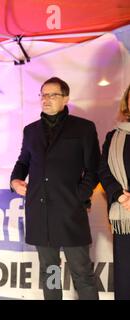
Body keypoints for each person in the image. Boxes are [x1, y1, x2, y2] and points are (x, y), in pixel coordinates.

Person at [10, 77, 100, 300]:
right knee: (49, 272)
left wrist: (79, 196)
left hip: (70, 214)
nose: (46, 99)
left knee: (82, 273)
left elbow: (94, 169)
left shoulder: (84, 128)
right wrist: (15, 181)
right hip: (40, 214)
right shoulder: (30, 131)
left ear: (66, 98)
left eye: (53, 95)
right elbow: (23, 162)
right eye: (43, 94)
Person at [98, 84, 130, 300]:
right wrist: (119, 194)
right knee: (125, 275)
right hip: (124, 215)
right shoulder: (113, 136)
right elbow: (103, 170)